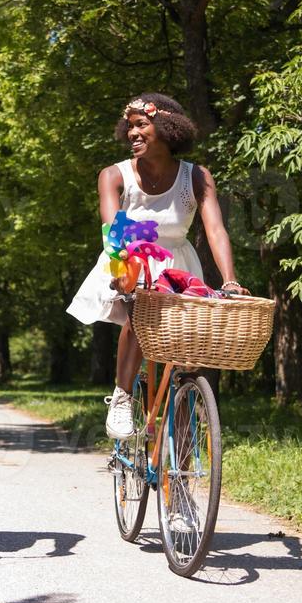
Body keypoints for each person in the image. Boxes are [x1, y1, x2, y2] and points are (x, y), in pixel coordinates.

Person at [65, 93, 248, 438]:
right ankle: (122, 396)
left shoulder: (196, 177)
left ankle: (179, 444)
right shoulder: (113, 175)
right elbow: (113, 231)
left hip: (178, 265)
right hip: (129, 260)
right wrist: (124, 274)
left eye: (141, 125)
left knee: (185, 352)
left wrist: (230, 280)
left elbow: (215, 230)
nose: (132, 133)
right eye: (129, 126)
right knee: (141, 314)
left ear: (166, 128)